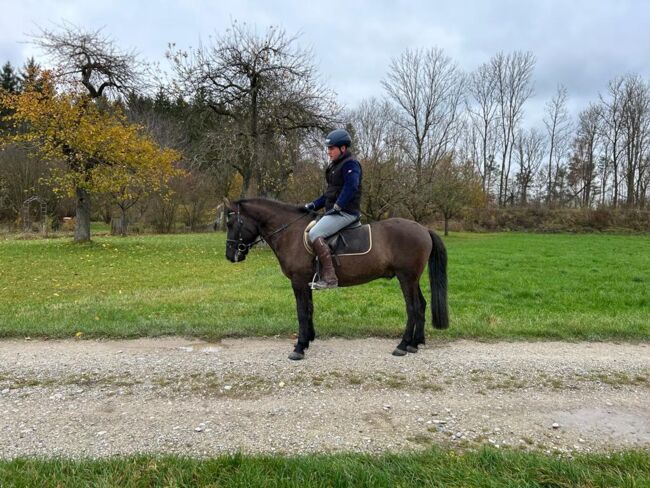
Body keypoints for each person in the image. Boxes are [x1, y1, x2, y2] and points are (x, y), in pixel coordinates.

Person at [304, 128, 362, 289]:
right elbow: (328, 195)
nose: (328, 152)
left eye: (331, 148)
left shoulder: (351, 164)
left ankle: (330, 278)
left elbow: (351, 187)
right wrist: (312, 205)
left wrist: (339, 205)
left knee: (315, 233)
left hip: (346, 212)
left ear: (343, 148)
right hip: (335, 211)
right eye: (328, 148)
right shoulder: (334, 167)